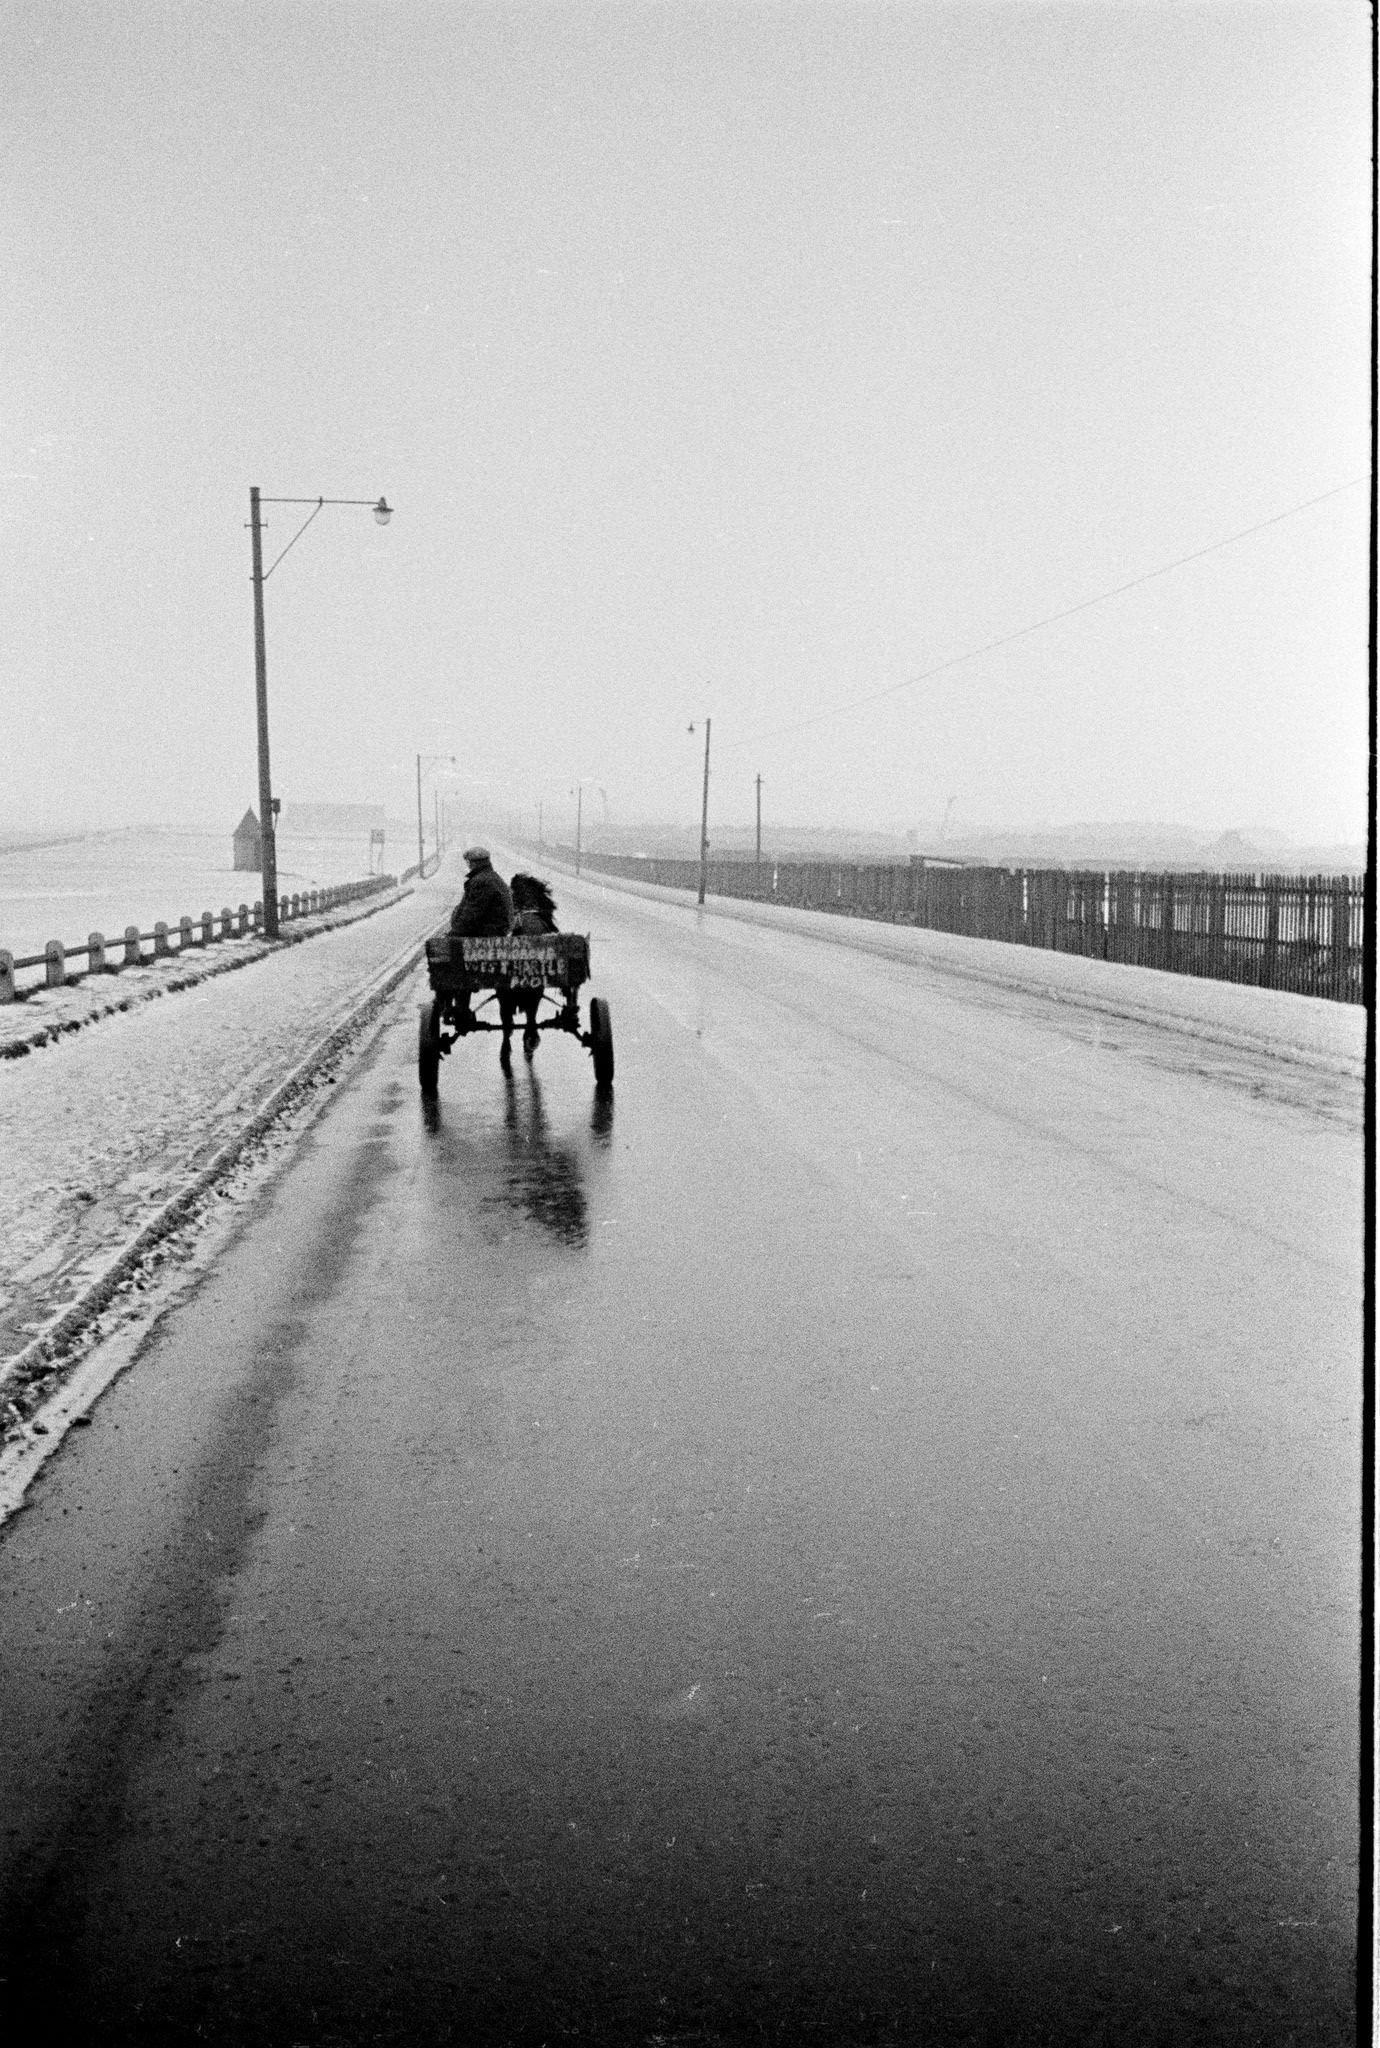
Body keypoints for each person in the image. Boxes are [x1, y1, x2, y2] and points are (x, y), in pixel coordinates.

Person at [449, 848, 516, 1057]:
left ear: (474, 863)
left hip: (485, 937)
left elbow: (471, 915)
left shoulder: (481, 882)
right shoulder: (494, 878)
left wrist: (454, 933)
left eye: (469, 863)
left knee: (457, 959)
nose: (468, 866)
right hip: (496, 935)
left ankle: (460, 1007)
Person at [509, 872, 558, 1057]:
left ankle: (507, 1038)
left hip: (511, 969)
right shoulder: (542, 917)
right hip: (536, 966)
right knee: (536, 983)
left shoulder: (513, 914)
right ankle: (531, 1024)